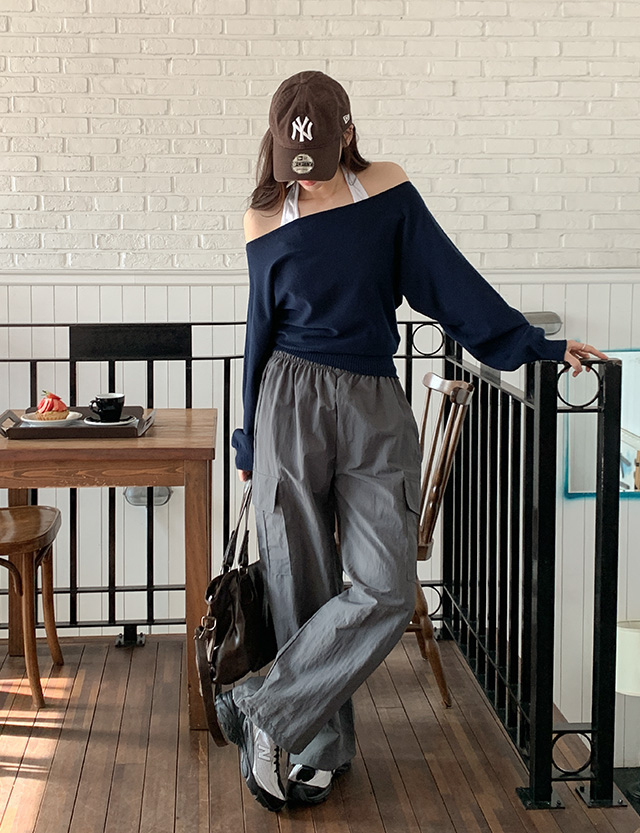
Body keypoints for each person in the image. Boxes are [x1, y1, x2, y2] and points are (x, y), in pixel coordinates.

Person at [216, 70, 607, 813]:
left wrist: (538, 347)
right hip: (287, 402)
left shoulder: (387, 190)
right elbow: (258, 332)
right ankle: (317, 749)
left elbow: (447, 282)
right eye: (293, 161)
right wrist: (246, 442)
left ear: (348, 134)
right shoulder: (264, 216)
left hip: (372, 400)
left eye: (319, 159)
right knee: (300, 586)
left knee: (388, 588)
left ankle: (263, 707)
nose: (307, 176)